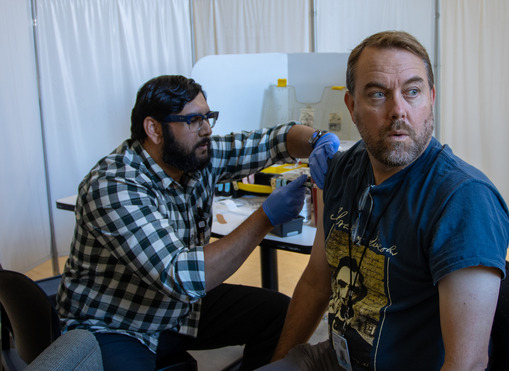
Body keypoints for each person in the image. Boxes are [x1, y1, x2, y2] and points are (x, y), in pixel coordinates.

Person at [261, 31, 509, 370]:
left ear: (431, 98)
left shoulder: (463, 201)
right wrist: (280, 361)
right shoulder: (345, 169)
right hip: (332, 359)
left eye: (412, 92)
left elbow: (465, 364)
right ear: (351, 107)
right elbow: (317, 282)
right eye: (378, 94)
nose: (399, 111)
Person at [56, 75, 340, 371]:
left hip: (176, 311)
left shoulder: (196, 156)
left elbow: (275, 140)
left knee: (279, 314)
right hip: (117, 323)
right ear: (154, 129)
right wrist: (265, 217)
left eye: (208, 117)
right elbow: (183, 277)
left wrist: (318, 140)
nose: (206, 130)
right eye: (193, 120)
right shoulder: (114, 185)